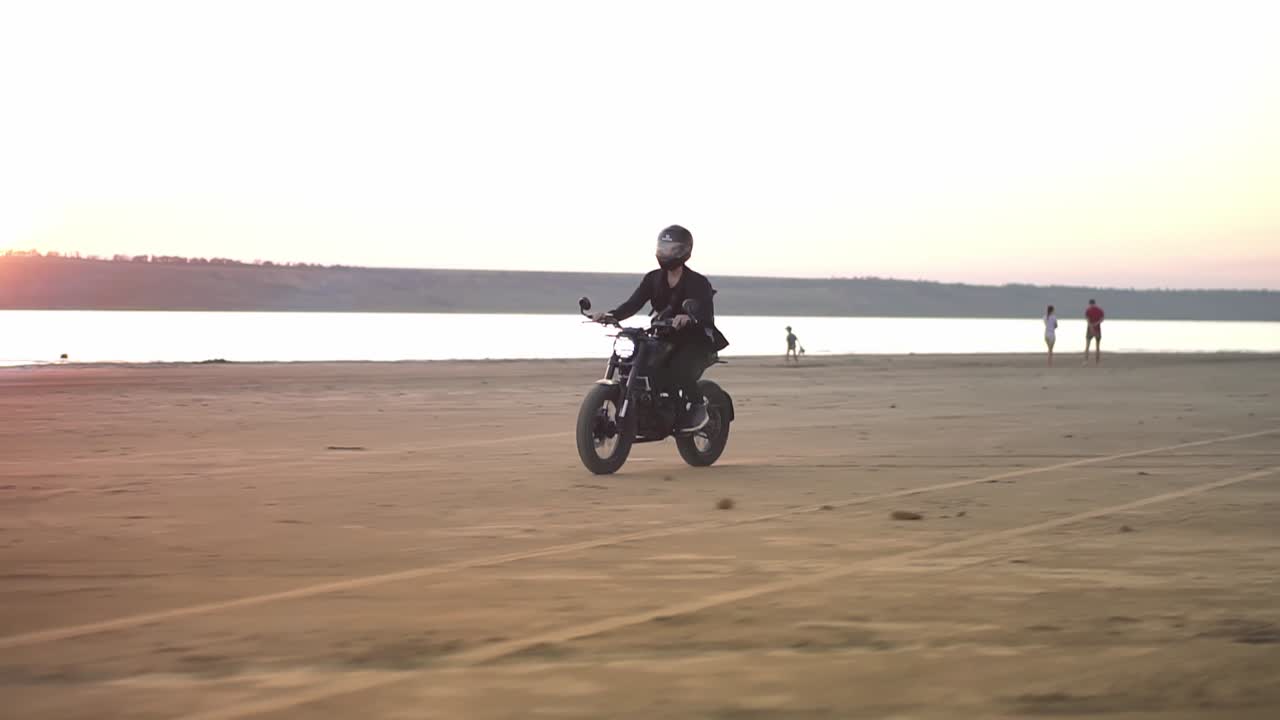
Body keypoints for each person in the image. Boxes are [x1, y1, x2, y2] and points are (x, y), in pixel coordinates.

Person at [591, 225, 729, 432]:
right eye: (663, 248)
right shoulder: (653, 278)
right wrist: (611, 315)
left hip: (695, 340)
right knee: (640, 360)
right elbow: (633, 303)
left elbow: (705, 312)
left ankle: (699, 407)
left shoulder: (697, 282)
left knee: (678, 371)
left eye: (672, 249)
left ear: (684, 252)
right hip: (665, 335)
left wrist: (688, 317)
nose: (666, 253)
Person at [1084, 298, 1104, 365]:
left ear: (1089, 304)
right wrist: (1096, 323)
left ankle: (1086, 361)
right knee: (1097, 346)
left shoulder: (1088, 310)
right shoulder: (1100, 310)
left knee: (1087, 345)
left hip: (1090, 329)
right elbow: (1102, 319)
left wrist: (1091, 326)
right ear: (1095, 303)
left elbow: (1087, 320)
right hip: (1097, 329)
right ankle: (1097, 361)